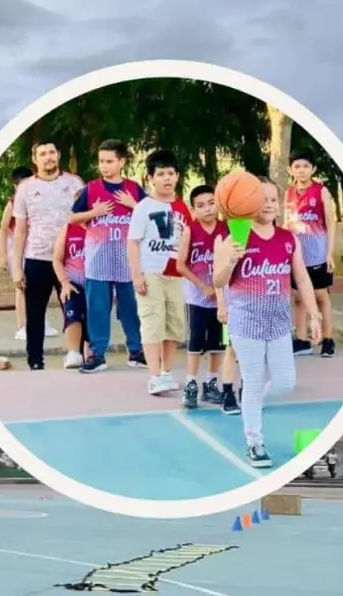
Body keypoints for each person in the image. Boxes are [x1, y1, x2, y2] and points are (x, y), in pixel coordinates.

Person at [213, 178, 323, 467]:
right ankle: (255, 442)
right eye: (262, 199)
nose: (269, 204)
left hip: (277, 322)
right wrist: (231, 261)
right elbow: (218, 281)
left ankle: (251, 397)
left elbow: (301, 278)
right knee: (254, 379)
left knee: (285, 382)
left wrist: (314, 315)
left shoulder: (288, 239)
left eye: (274, 199)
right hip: (245, 321)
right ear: (248, 203)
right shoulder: (234, 237)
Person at [68, 138, 147, 372]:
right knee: (98, 309)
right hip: (98, 261)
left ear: (122, 161)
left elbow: (152, 218)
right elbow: (72, 218)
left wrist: (134, 206)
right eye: (101, 161)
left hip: (127, 262)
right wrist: (95, 212)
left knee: (131, 308)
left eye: (110, 161)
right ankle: (97, 354)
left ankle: (136, 351)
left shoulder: (134, 189)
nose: (104, 166)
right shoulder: (90, 189)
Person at [12, 140, 85, 369]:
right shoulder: (25, 188)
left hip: (71, 259)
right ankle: (35, 361)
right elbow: (20, 230)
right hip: (37, 258)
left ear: (59, 154)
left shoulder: (74, 183)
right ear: (35, 159)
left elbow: (85, 219)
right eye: (42, 154)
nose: (48, 157)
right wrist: (17, 267)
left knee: (76, 310)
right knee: (34, 315)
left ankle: (79, 355)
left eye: (52, 152)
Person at [127, 149, 192, 395]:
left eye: (171, 173)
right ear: (151, 178)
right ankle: (154, 375)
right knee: (152, 322)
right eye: (161, 174)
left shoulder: (182, 208)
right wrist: (137, 274)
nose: (166, 178)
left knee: (174, 324)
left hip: (176, 274)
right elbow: (133, 242)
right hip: (151, 272)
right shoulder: (144, 207)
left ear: (178, 176)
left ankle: (167, 372)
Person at [175, 184, 228, 408]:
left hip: (222, 300)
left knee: (219, 344)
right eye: (200, 206)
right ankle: (191, 384)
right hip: (197, 299)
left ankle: (211, 383)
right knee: (196, 342)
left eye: (210, 203)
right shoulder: (190, 230)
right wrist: (202, 286)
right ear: (193, 209)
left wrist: (221, 288)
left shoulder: (227, 230)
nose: (207, 209)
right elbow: (180, 265)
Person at [285, 148, 337, 357]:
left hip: (317, 252)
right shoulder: (288, 193)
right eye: (297, 166)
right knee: (298, 298)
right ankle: (302, 340)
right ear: (291, 169)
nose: (301, 170)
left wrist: (329, 253)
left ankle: (327, 339)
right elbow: (285, 223)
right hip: (296, 254)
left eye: (306, 166)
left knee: (320, 296)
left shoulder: (321, 191)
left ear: (313, 169)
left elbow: (331, 224)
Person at [0, 166, 39, 340]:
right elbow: (3, 228)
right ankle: (22, 326)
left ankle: (38, 323)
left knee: (39, 288)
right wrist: (2, 255)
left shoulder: (38, 200)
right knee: (22, 288)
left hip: (36, 247)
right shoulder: (12, 203)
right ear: (15, 187)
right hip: (18, 248)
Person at [52, 220, 93, 369]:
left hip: (95, 282)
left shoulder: (101, 226)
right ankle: (74, 352)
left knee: (94, 316)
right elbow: (57, 259)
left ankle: (91, 352)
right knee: (73, 314)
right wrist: (64, 282)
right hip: (72, 282)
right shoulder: (69, 228)